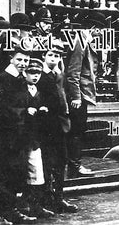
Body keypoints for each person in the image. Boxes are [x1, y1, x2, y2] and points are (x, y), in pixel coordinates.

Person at [0, 47, 37, 225]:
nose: (23, 64)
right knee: (3, 175)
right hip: (5, 136)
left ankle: (11, 211)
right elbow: (0, 107)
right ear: (11, 59)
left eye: (26, 61)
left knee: (15, 175)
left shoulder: (21, 79)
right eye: (19, 60)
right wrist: (25, 111)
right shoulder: (3, 79)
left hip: (19, 134)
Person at [38, 39, 78, 213]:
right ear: (44, 56)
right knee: (47, 161)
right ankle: (47, 198)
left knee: (61, 161)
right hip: (46, 125)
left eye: (57, 56)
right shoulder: (39, 75)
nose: (54, 58)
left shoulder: (59, 74)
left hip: (61, 124)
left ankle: (59, 197)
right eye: (51, 55)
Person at [18, 58, 55, 219]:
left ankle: (35, 205)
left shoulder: (39, 92)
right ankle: (21, 206)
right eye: (31, 72)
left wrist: (43, 110)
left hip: (35, 138)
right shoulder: (19, 90)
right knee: (20, 173)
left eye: (38, 73)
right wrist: (26, 110)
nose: (35, 76)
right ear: (24, 72)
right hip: (20, 137)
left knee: (36, 172)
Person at [65, 17, 101, 178]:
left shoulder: (83, 40)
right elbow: (73, 72)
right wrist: (76, 96)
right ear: (93, 28)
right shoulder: (80, 41)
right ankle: (75, 166)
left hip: (82, 94)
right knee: (76, 131)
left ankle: (74, 164)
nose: (101, 33)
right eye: (100, 30)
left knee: (77, 130)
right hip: (79, 96)